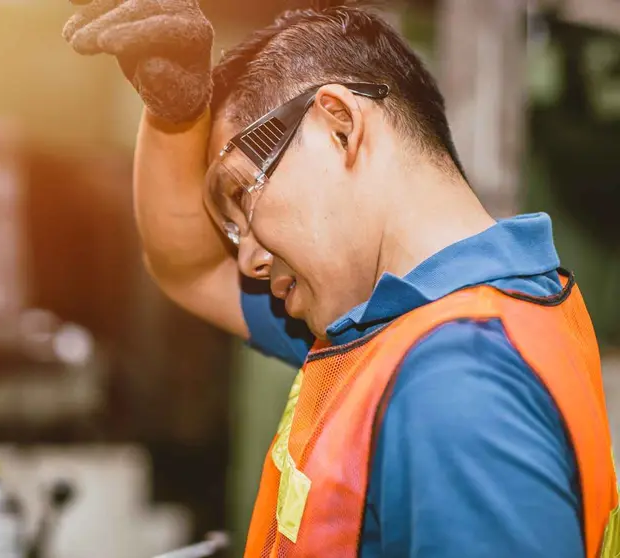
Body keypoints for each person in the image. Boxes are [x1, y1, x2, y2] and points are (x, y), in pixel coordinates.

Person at [63, 2, 620, 558]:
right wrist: (175, 112)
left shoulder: (458, 383)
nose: (251, 261)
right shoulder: (399, 326)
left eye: (242, 196)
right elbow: (189, 265)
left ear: (339, 126)